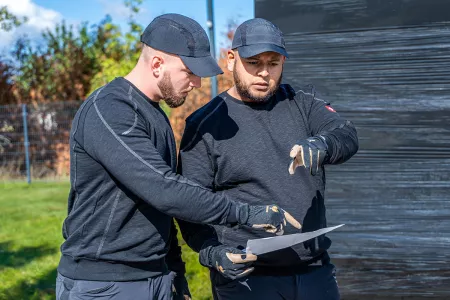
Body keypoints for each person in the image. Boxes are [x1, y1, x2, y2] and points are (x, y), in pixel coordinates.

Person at [55, 14, 301, 300]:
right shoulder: (110, 109)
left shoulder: (155, 116)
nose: (197, 83)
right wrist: (247, 214)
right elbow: (163, 189)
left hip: (155, 276)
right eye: (190, 71)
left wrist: (175, 275)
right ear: (158, 64)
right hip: (105, 284)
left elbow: (159, 210)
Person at [177, 18, 359, 300]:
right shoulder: (204, 125)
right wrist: (211, 251)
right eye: (253, 63)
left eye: (273, 63)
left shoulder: (302, 102)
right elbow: (190, 205)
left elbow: (346, 133)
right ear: (231, 59)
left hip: (315, 271)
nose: (264, 73)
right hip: (247, 280)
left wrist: (323, 143)